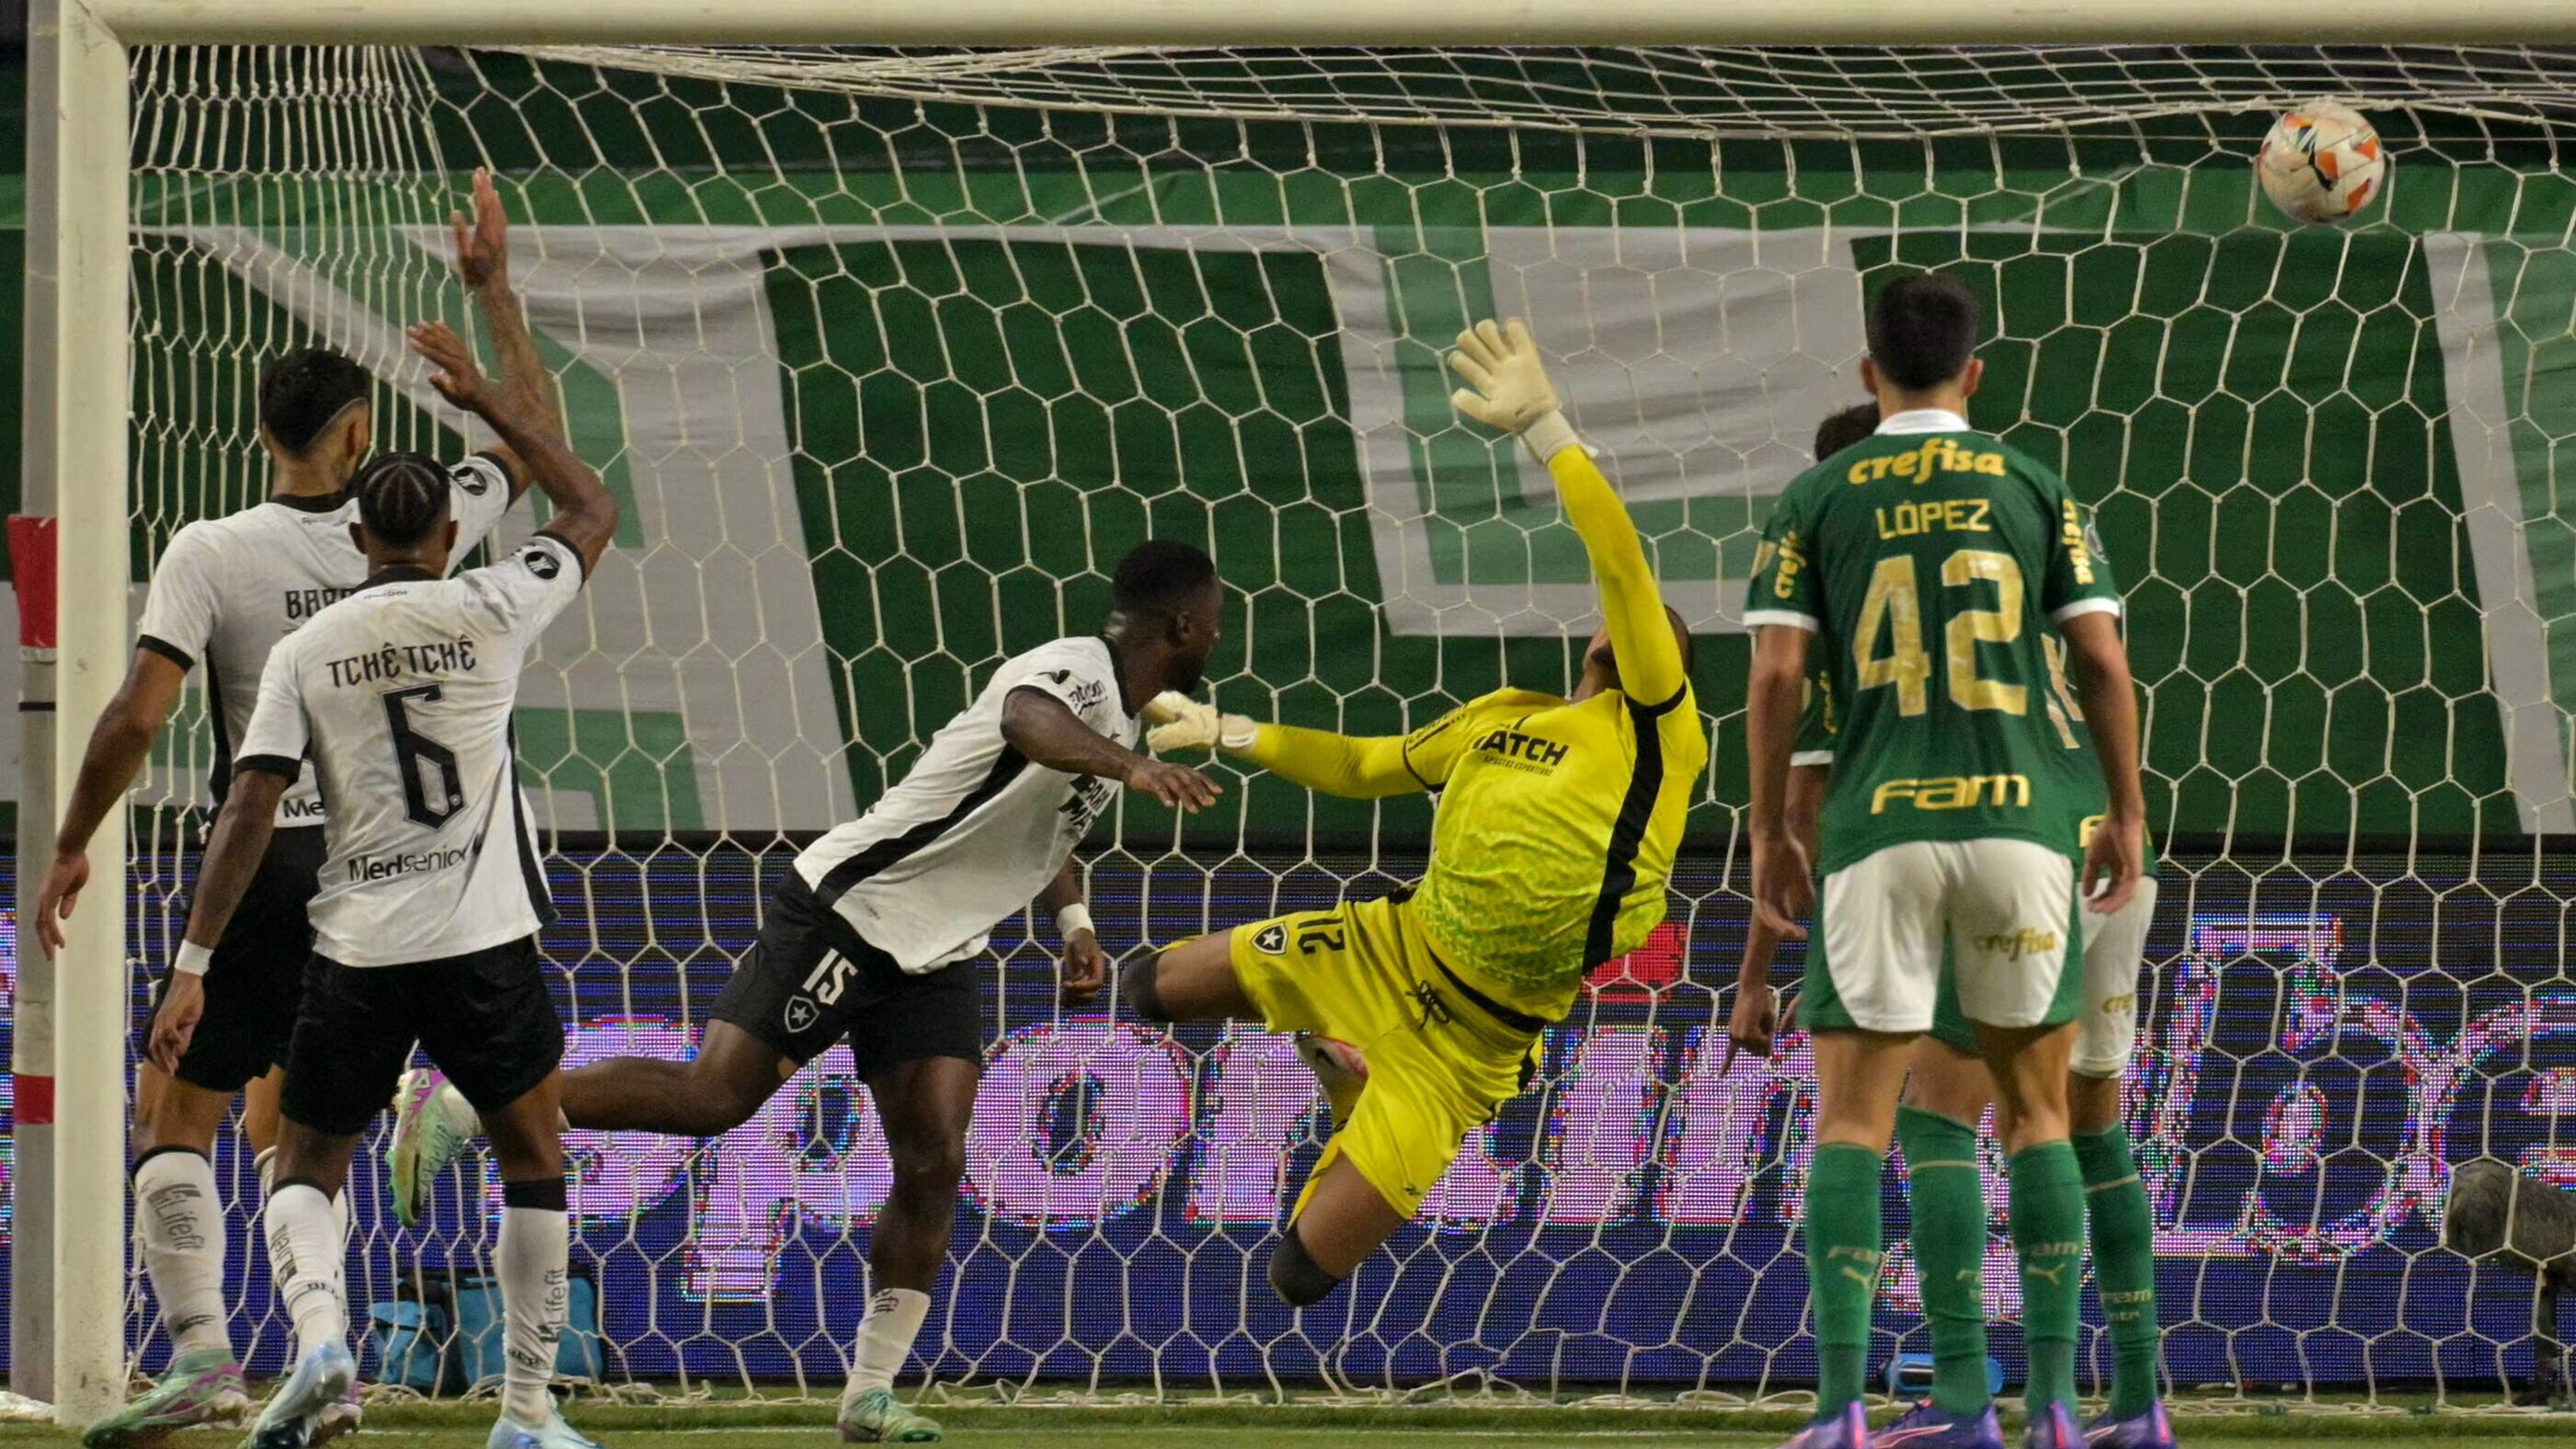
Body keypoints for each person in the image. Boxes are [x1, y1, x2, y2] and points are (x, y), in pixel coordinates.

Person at [385, 541, 1226, 1444]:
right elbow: (1027, 719)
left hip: (936, 948)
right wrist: (1130, 767)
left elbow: (1039, 821)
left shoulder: (1116, 723)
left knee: (934, 1155)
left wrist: (1073, 927)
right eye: (1215, 617)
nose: (1219, 631)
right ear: (1181, 625)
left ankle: (867, 1392)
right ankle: (470, 1101)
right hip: (852, 911)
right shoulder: (1077, 675)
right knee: (713, 1097)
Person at [41, 169, 553, 1449]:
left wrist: (69, 841)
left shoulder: (213, 552)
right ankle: (332, 1378)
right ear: (361, 431)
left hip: (260, 855)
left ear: (267, 434)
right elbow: (540, 444)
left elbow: (141, 717)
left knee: (185, 1114)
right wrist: (493, 301)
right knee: (303, 1130)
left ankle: (216, 1356)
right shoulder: (425, 517)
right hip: (392, 867)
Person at [1132, 317, 1707, 1308]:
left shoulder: (1657, 732)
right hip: (1390, 945)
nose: (1630, 620)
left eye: (1648, 623)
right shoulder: (1497, 717)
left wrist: (1547, 428)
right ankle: (1339, 1059)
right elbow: (1363, 764)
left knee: (1301, 1271)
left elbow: (1621, 564)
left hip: (1469, 1044)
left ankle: (1355, 1090)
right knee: (1152, 989)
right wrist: (1227, 730)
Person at [159, 316, 619, 1449]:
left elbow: (248, 806)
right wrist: (493, 389)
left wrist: (192, 965)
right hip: (482, 941)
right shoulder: (495, 604)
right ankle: (524, 1412)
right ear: (451, 531)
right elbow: (589, 505)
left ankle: (319, 1339)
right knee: (531, 1154)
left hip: (356, 945)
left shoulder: (305, 652)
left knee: (308, 1157)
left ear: (359, 532)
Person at [1742, 271, 2145, 1449]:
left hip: (1878, 831)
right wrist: (2120, 808)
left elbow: (1773, 678)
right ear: (1974, 375)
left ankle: (1838, 1411)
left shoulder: (1815, 494)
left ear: (1867, 375)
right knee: (2035, 1113)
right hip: (2023, 828)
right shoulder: (2032, 482)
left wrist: (1768, 830)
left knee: (1856, 1122)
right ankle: (2062, 1407)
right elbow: (2102, 666)